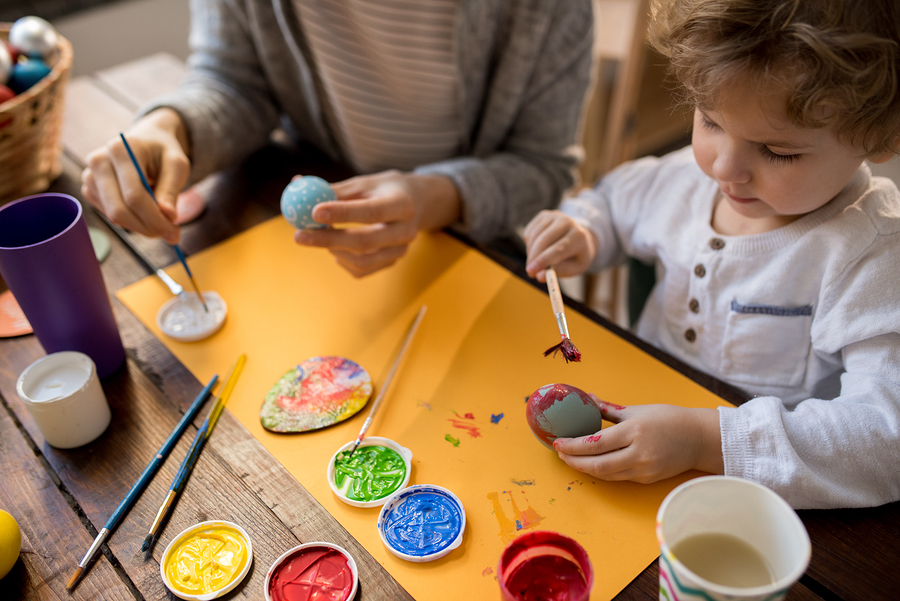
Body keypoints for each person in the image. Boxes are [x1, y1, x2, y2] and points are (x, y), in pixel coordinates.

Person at [524, 0, 900, 509]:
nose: (725, 169)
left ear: (880, 136)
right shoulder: (683, 178)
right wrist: (583, 231)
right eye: (710, 121)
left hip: (754, 502)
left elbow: (885, 438)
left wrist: (707, 442)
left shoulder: (872, 253)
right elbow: (609, 202)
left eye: (778, 152)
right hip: (625, 461)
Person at [80, 0, 594, 277]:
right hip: (315, 249)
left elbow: (541, 166)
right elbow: (237, 78)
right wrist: (172, 126)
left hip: (477, 248)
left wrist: (434, 198)